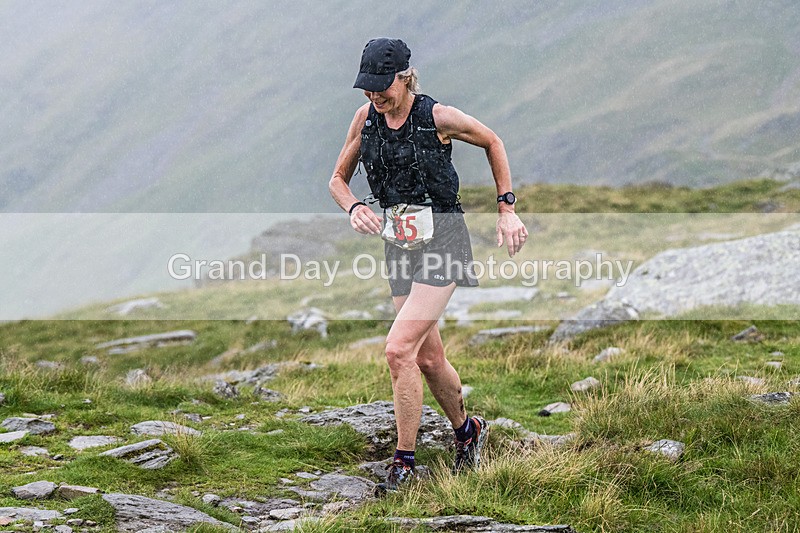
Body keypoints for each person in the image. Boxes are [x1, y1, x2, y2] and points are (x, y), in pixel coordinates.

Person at [329, 38, 528, 492]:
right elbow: (337, 179)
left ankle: (403, 463)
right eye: (367, 89)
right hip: (399, 242)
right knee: (428, 356)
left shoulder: (437, 117)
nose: (373, 97)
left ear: (405, 77)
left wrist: (507, 207)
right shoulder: (365, 119)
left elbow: (492, 141)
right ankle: (467, 431)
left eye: (382, 88)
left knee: (398, 349)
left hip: (444, 238)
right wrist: (354, 207)